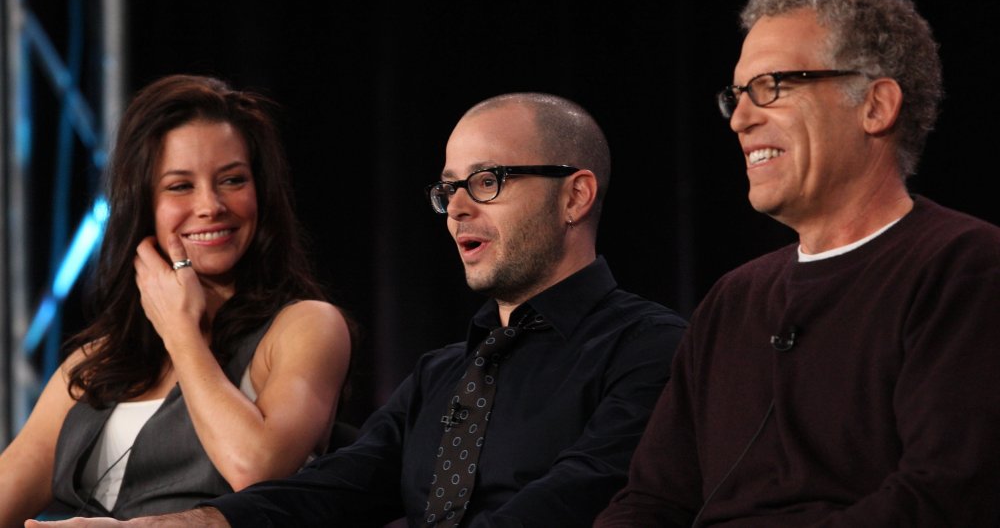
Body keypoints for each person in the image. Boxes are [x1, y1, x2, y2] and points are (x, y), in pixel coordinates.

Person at [34, 92, 687, 527]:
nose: (458, 207)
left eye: (487, 181)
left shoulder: (652, 348)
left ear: (575, 196)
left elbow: (579, 495)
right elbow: (338, 486)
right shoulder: (443, 372)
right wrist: (177, 524)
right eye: (449, 189)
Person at [596, 0, 1000, 527]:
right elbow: (651, 501)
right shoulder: (732, 300)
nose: (740, 120)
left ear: (875, 106)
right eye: (736, 96)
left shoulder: (964, 266)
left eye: (772, 86)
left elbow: (944, 496)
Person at [0, 75, 352, 522]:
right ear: (142, 204)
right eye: (180, 186)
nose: (210, 205)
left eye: (232, 180)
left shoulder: (306, 327)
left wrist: (182, 330)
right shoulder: (95, 361)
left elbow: (257, 470)